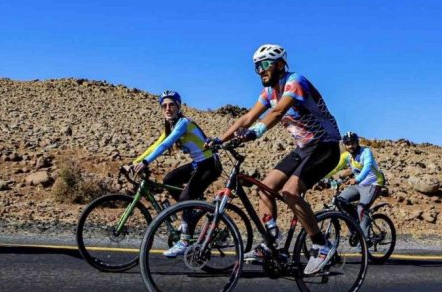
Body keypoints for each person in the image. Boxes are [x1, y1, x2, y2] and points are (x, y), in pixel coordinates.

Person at [208, 44, 341, 275]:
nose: (261, 70)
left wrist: (256, 132)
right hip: (303, 148)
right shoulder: (269, 92)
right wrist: (220, 140)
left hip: (325, 146)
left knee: (290, 191)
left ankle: (321, 245)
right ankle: (271, 245)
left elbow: (278, 112)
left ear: (280, 65)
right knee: (265, 188)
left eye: (265, 64)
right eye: (257, 66)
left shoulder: (295, 81)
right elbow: (247, 117)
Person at [123, 90, 222, 258]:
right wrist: (134, 162)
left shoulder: (183, 123)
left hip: (209, 164)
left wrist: (146, 162)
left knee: (184, 199)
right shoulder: (170, 126)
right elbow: (156, 145)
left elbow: (166, 145)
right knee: (169, 179)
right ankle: (191, 212)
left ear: (178, 106)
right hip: (198, 163)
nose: (167, 109)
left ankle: (185, 241)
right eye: (164, 106)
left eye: (171, 105)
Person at [322, 131, 386, 239]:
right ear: (345, 145)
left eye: (353, 143)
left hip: (374, 183)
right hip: (359, 185)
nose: (350, 146)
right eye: (348, 144)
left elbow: (367, 167)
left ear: (357, 142)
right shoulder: (346, 156)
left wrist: (357, 179)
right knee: (340, 201)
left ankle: (364, 240)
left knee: (362, 208)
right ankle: (356, 228)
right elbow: (335, 168)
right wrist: (320, 177)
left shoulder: (366, 152)